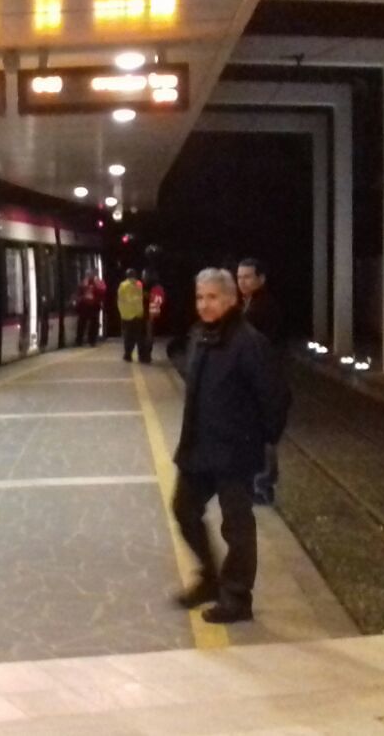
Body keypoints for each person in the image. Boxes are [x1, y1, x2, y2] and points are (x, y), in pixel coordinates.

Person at [172, 268, 290, 624]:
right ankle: (210, 578)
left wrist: (262, 440)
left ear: (230, 299)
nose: (204, 304)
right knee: (184, 509)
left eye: (212, 297)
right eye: (199, 297)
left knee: (236, 527)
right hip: (199, 448)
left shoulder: (249, 342)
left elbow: (277, 397)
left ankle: (237, 598)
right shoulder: (200, 335)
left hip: (235, 452)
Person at [237, 258, 285, 505]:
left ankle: (263, 485)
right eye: (239, 277)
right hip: (257, 378)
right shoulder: (249, 303)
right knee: (258, 431)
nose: (242, 282)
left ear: (261, 278)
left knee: (263, 432)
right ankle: (259, 483)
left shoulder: (262, 307)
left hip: (264, 380)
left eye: (248, 277)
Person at [117, 269, 147, 362]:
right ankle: (142, 356)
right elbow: (142, 296)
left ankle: (128, 355)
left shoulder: (123, 285)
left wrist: (121, 311)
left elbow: (120, 299)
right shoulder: (139, 284)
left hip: (126, 315)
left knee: (128, 336)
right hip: (138, 314)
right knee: (140, 336)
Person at [74, 272, 106, 346]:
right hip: (84, 305)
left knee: (93, 324)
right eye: (88, 275)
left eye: (91, 274)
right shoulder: (83, 282)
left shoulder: (98, 282)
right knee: (82, 323)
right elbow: (79, 292)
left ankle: (92, 340)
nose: (89, 276)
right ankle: (79, 340)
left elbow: (103, 290)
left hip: (94, 305)